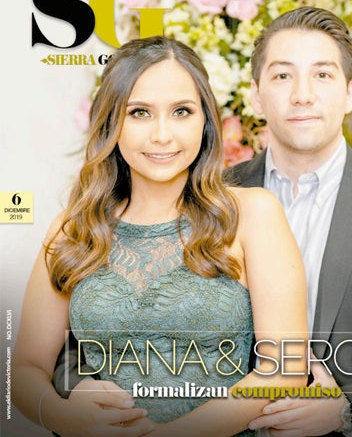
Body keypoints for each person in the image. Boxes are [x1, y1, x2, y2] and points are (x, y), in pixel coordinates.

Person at [11, 36, 309, 437]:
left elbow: (285, 369)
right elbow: (25, 369)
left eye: (181, 111)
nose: (162, 135)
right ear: (111, 122)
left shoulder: (253, 214)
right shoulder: (73, 229)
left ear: (205, 120)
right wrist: (66, 418)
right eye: (140, 113)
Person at [225, 6, 352, 437]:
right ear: (256, 95)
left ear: (350, 93)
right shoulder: (211, 201)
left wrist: (348, 410)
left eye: (322, 74)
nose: (302, 94)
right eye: (283, 75)